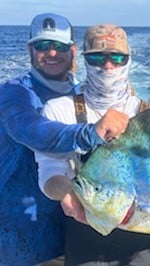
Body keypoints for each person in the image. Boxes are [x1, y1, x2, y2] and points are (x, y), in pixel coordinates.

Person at [0, 13, 128, 266]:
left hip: (70, 232)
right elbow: (30, 130)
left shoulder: (79, 93)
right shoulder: (14, 92)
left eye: (59, 46)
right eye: (42, 46)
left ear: (73, 50)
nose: (51, 53)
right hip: (20, 237)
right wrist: (91, 132)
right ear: (30, 50)